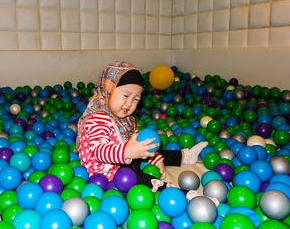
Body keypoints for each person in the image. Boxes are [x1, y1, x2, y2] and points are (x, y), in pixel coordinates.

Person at [75, 61, 208, 192]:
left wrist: (155, 159)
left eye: (136, 99)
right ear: (107, 91)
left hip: (124, 159)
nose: (129, 103)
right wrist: (128, 152)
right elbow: (99, 151)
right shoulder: (98, 118)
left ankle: (185, 156)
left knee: (149, 149)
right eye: (126, 95)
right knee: (137, 178)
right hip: (107, 173)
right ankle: (180, 194)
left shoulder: (125, 119)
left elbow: (137, 143)